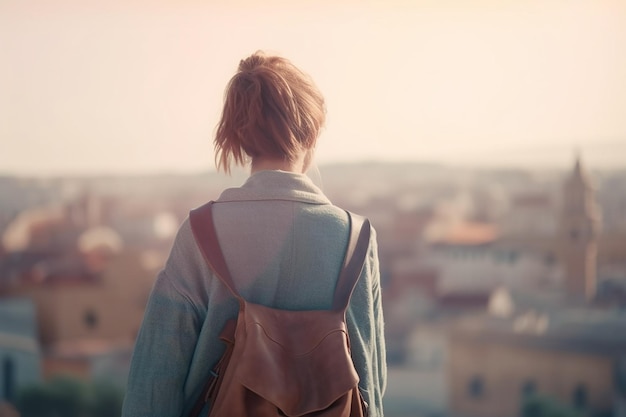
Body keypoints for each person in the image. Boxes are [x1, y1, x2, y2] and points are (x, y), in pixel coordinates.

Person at [121, 51, 387, 417]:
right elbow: (370, 385)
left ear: (239, 136)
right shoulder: (356, 240)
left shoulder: (200, 233)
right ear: (310, 131)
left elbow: (154, 385)